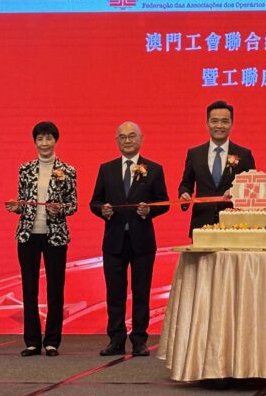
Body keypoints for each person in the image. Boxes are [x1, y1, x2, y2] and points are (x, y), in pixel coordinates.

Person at [89, 121, 169, 357]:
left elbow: (163, 202)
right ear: (116, 141)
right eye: (122, 137)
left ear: (141, 139)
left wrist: (150, 210)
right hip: (114, 241)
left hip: (142, 241)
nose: (127, 140)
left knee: (141, 292)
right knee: (115, 293)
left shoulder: (154, 169)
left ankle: (139, 340)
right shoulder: (106, 169)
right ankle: (116, 339)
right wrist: (102, 210)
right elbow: (95, 202)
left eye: (132, 136)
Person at [5, 121, 78, 357]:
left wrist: (60, 209)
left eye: (49, 138)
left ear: (55, 141)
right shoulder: (25, 169)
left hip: (56, 236)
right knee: (29, 288)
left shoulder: (67, 170)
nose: (44, 143)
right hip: (28, 235)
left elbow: (73, 204)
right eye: (40, 139)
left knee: (55, 289)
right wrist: (16, 206)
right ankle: (32, 342)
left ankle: (52, 341)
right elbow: (23, 200)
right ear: (34, 142)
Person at [178, 100, 255, 235]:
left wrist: (236, 191)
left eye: (224, 121)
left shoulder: (244, 154)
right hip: (201, 224)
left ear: (231, 124)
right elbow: (186, 184)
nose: (219, 126)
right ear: (207, 123)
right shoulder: (194, 154)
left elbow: (253, 187)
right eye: (214, 121)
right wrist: (184, 195)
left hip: (235, 225)